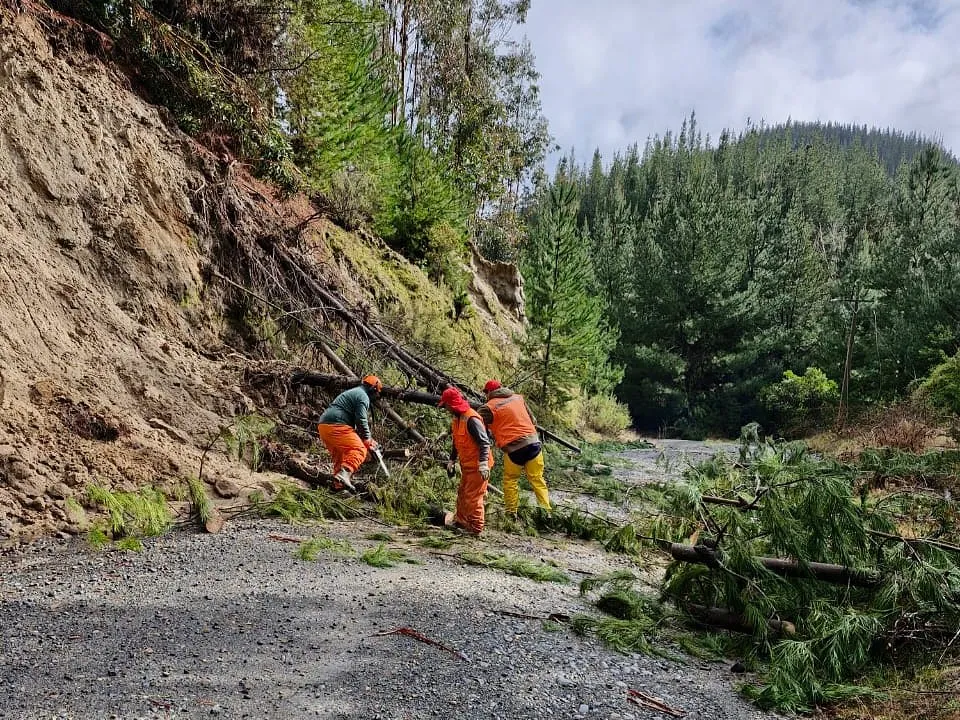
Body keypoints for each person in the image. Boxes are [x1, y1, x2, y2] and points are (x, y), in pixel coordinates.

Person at [478, 379, 551, 516]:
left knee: (511, 480)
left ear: (489, 392)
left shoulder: (488, 407)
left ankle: (511, 514)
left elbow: (475, 423)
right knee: (538, 480)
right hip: (533, 444)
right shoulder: (518, 398)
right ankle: (546, 512)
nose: (485, 396)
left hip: (513, 449)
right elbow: (533, 421)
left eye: (486, 393)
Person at [435, 387, 493, 534]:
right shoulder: (457, 420)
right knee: (462, 493)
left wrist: (483, 464)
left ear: (452, 404)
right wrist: (452, 460)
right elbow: (456, 441)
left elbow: (484, 442)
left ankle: (475, 528)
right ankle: (460, 522)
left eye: (446, 405)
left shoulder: (471, 419)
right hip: (467, 465)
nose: (445, 408)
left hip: (479, 466)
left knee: (472, 498)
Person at [317, 375, 383, 491]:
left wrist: (368, 439)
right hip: (336, 425)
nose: (376, 396)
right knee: (359, 450)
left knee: (341, 457)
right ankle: (344, 475)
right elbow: (361, 420)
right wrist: (367, 439)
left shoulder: (354, 393)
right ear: (373, 388)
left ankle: (338, 487)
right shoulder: (363, 396)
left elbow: (356, 427)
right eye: (376, 393)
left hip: (324, 426)